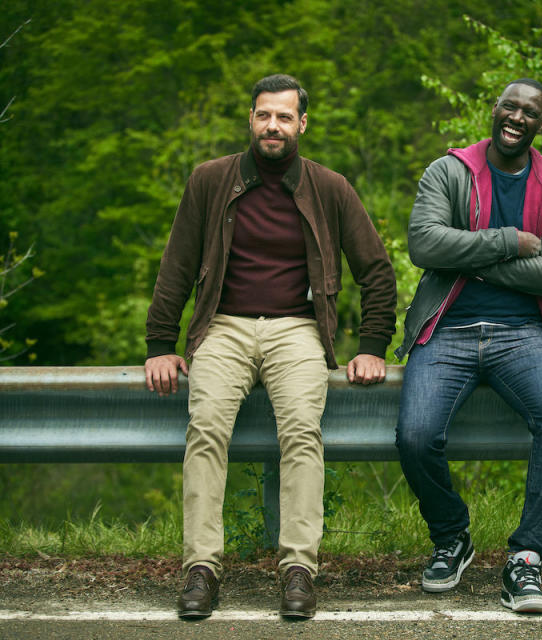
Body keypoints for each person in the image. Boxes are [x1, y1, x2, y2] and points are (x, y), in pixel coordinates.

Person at [144, 74, 397, 620]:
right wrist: (161, 344)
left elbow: (375, 270)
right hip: (225, 326)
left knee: (303, 430)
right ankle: (201, 569)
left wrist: (372, 344)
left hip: (297, 329)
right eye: (264, 115)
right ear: (251, 120)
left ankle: (299, 569)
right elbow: (177, 265)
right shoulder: (210, 181)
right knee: (206, 424)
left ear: (302, 123)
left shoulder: (329, 187)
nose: (273, 126)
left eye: (285, 117)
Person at [394, 78, 542, 614]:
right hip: (447, 329)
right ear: (494, 109)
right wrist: (507, 241)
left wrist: (472, 260)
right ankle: (452, 537)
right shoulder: (449, 170)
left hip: (526, 335)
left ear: (540, 124)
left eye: (530, 112)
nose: (516, 117)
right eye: (509, 106)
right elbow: (424, 244)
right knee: (414, 435)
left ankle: (527, 558)